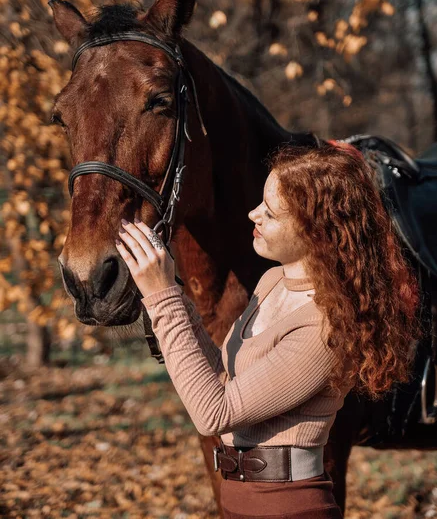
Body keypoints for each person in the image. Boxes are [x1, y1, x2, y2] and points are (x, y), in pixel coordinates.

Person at [114, 142, 421, 519]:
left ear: (317, 231)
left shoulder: (327, 325)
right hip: (237, 499)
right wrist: (172, 291)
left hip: (290, 508)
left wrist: (162, 297)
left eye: (270, 213)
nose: (252, 214)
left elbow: (215, 412)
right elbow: (224, 380)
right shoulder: (271, 281)